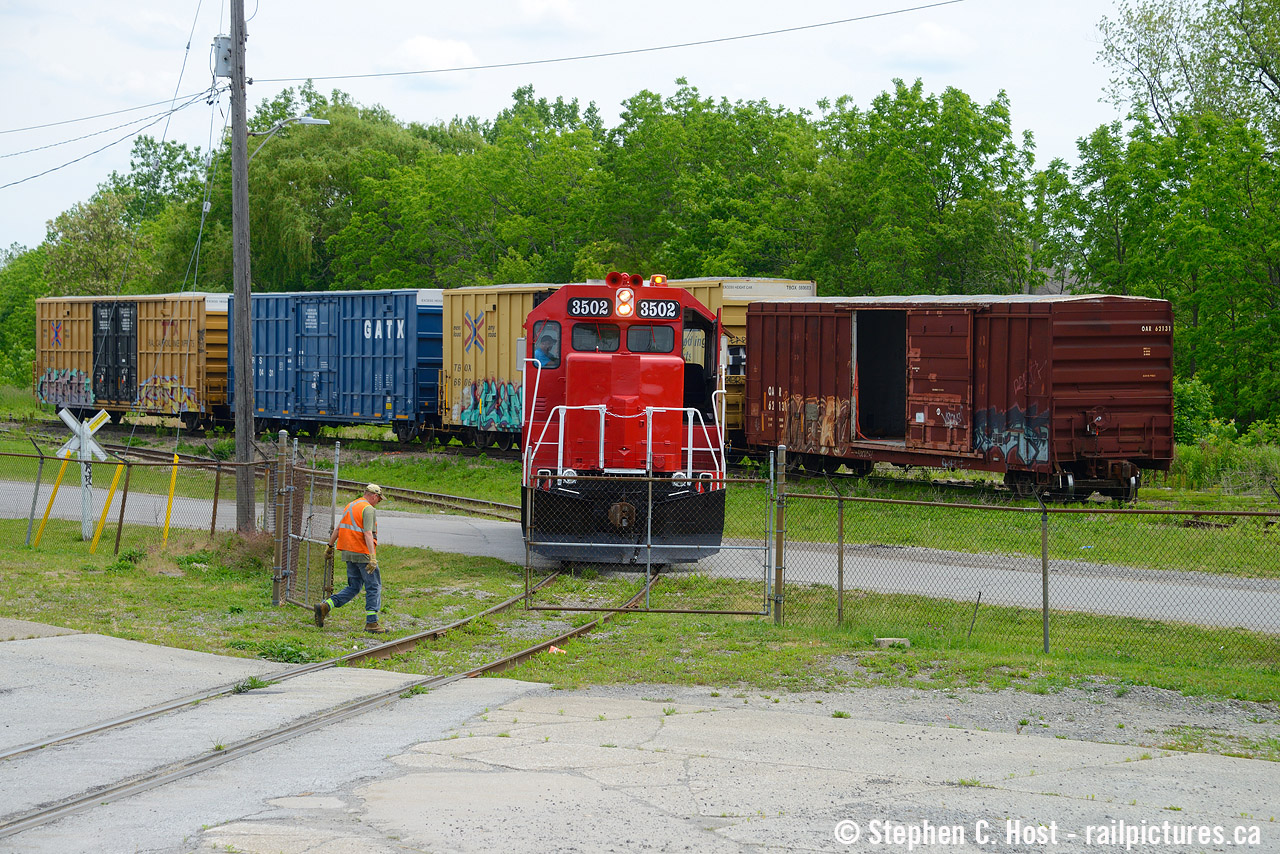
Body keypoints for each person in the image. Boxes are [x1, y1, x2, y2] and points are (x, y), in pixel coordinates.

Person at [313, 484, 388, 633]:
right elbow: (367, 533)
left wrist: (329, 546)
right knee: (373, 586)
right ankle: (372, 623)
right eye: (378, 500)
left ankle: (326, 606)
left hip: (348, 553)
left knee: (354, 587)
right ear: (374, 496)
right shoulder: (368, 509)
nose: (377, 503)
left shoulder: (351, 505)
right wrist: (372, 557)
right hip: (362, 553)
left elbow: (338, 529)